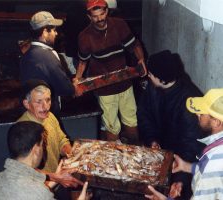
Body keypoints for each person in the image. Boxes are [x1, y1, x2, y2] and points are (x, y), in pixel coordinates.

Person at [137, 50, 205, 199]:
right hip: (159, 154)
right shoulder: (153, 87)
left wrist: (181, 179)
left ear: (162, 80)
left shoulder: (190, 102)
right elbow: (144, 114)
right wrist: (152, 140)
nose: (148, 75)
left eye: (151, 74)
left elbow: (192, 146)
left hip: (180, 163)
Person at [75, 0, 146, 142]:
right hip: (104, 88)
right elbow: (83, 61)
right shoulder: (85, 37)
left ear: (107, 11)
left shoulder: (119, 25)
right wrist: (77, 79)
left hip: (124, 81)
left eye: (102, 14)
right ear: (89, 17)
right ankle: (114, 155)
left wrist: (141, 60)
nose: (99, 19)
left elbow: (134, 45)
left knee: (131, 120)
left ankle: (135, 149)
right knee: (112, 125)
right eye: (95, 16)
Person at [145, 88, 223, 200]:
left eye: (201, 113)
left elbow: (211, 171)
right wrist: (187, 167)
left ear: (216, 122)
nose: (197, 113)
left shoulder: (213, 162)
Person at [0, 121, 91, 200]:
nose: (43, 149)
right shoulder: (39, 193)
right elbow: (36, 193)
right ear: (35, 150)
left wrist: (55, 177)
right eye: (42, 144)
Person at [17, 79, 82, 188]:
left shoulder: (50, 116)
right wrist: (55, 177)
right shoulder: (22, 130)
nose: (45, 107)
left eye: (48, 100)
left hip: (57, 176)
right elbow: (24, 168)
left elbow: (62, 140)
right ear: (27, 104)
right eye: (39, 102)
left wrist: (70, 155)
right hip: (39, 186)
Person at [19, 11, 77, 114]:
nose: (56, 33)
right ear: (45, 32)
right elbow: (65, 88)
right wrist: (74, 87)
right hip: (46, 111)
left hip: (32, 111)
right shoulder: (48, 55)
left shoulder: (27, 55)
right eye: (54, 30)